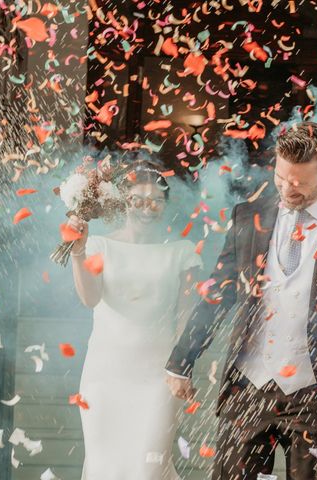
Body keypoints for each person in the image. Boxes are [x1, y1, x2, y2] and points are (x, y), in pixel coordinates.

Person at [165, 122, 317, 479]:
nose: (287, 189)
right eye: (281, 178)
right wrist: (181, 361)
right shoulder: (247, 217)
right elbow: (218, 294)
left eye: (299, 182)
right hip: (247, 386)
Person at [69, 160, 202, 479]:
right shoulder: (100, 245)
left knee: (149, 468)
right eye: (138, 199)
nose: (147, 207)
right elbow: (90, 298)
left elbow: (186, 317)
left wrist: (182, 368)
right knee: (106, 468)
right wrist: (78, 251)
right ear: (123, 200)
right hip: (105, 377)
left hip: (158, 377)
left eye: (156, 200)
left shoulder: (182, 253)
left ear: (165, 204)